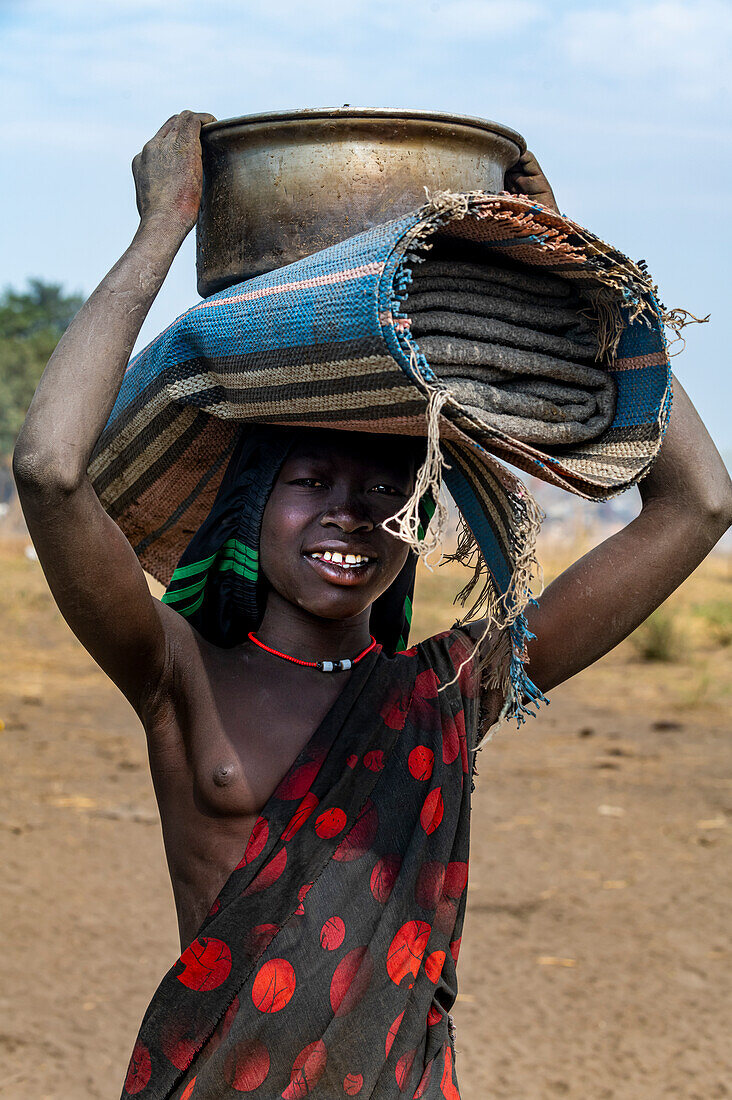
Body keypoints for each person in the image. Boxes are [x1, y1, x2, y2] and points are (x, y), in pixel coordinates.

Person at [12, 111, 732, 1099]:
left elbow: (700, 502)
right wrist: (161, 231)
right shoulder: (175, 671)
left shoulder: (450, 690)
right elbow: (52, 472)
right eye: (311, 478)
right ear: (250, 502)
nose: (351, 510)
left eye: (386, 487)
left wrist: (571, 264)